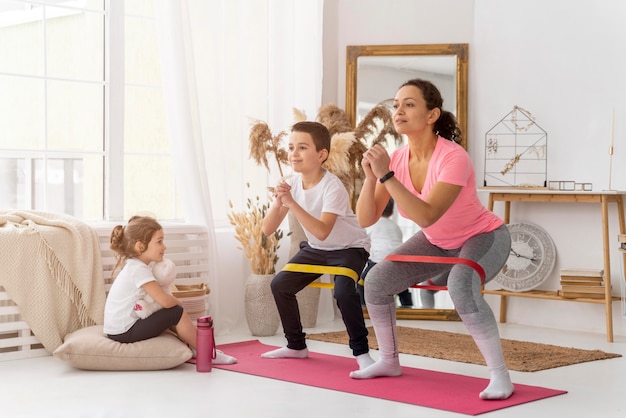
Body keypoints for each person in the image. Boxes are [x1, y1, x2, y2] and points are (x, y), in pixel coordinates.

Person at [352, 78, 514, 400]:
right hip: (437, 241)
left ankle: (500, 377)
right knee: (376, 281)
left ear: (431, 115)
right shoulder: (397, 159)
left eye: (409, 104)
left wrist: (386, 175)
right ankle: (388, 360)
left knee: (460, 286)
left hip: (483, 236)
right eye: (396, 104)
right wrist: (372, 179)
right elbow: (365, 218)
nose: (398, 110)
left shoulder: (453, 158)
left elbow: (427, 215)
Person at [261, 121, 374, 370]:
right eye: (291, 147)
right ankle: (296, 346)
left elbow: (323, 231)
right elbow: (267, 229)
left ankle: (362, 353)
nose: (293, 154)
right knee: (280, 285)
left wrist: (291, 202)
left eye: (302, 147)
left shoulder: (333, 186)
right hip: (317, 249)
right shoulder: (291, 183)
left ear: (321, 155)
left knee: (343, 293)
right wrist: (279, 201)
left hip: (349, 248)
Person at [103, 215, 237, 365]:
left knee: (169, 315)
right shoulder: (138, 270)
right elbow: (165, 301)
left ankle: (197, 347)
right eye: (159, 242)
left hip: (118, 330)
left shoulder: (135, 266)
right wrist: (178, 302)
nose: (164, 246)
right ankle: (207, 352)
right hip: (124, 331)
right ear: (140, 246)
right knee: (175, 312)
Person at [357, 198, 412, 307]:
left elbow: (364, 244)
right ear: (392, 211)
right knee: (402, 286)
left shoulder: (371, 225)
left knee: (361, 283)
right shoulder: (395, 226)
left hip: (379, 261)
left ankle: (363, 307)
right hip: (399, 261)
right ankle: (408, 307)